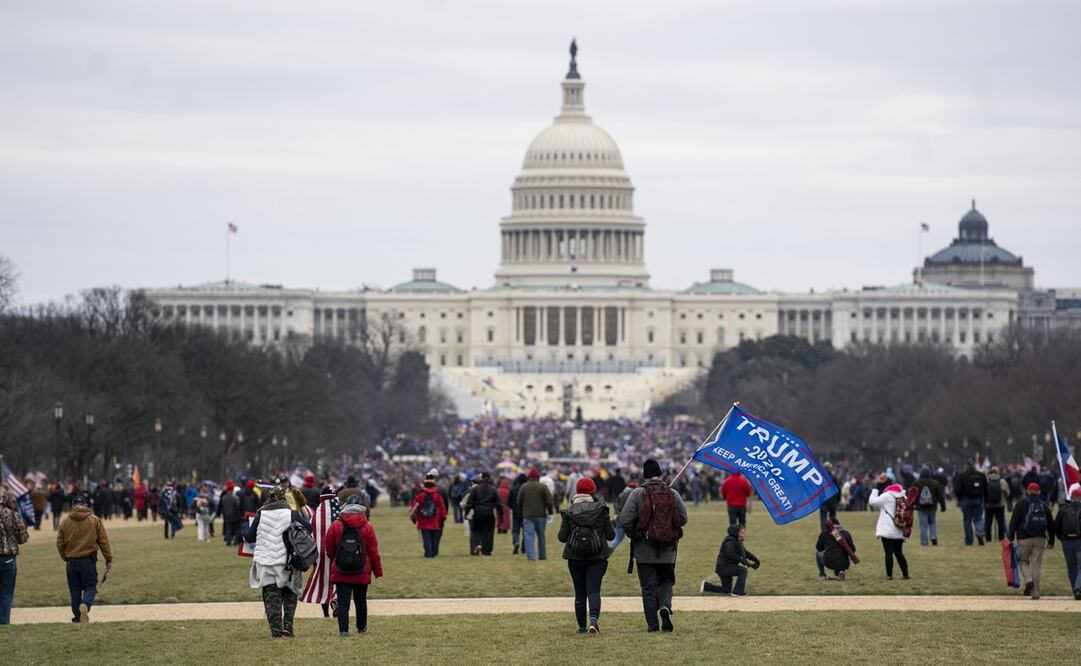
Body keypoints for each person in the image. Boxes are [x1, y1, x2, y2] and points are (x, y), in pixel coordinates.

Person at [621, 459, 688, 633]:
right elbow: (683, 518)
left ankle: (652, 625)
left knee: (648, 588)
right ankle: (665, 605)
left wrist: (635, 534)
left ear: (644, 474)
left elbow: (625, 519)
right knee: (666, 583)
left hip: (644, 549)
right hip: (668, 549)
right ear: (659, 473)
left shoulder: (637, 493)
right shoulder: (672, 493)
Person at [244, 486, 312, 638]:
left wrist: (244, 525)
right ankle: (288, 625)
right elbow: (309, 528)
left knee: (271, 597)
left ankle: (276, 631)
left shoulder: (261, 514)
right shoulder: (290, 513)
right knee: (290, 594)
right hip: (287, 562)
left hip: (266, 562)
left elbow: (249, 537)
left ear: (269, 498)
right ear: (283, 498)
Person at [557, 477, 614, 635]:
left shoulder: (569, 511)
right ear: (593, 492)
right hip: (598, 557)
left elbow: (562, 537)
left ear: (577, 492)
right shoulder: (602, 509)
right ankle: (594, 621)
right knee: (594, 591)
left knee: (580, 592)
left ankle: (581, 626)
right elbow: (610, 535)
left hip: (575, 557)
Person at [324, 496, 383, 636]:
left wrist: (336, 559)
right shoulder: (367, 526)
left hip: (341, 569)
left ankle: (343, 630)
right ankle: (361, 628)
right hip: (361, 568)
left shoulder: (336, 525)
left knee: (343, 603)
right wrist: (377, 571)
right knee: (360, 601)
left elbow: (329, 548)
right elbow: (373, 550)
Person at [55, 494, 113, 623]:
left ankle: (77, 617)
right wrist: (108, 559)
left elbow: (59, 543)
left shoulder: (65, 522)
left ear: (72, 507)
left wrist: (65, 557)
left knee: (74, 590)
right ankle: (85, 604)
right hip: (88, 560)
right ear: (86, 506)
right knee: (91, 586)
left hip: (71, 561)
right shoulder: (94, 520)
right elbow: (103, 541)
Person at [1008, 482, 1054, 600]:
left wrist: (1010, 537)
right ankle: (1036, 593)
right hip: (1040, 539)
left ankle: (1028, 580)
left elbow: (1014, 522)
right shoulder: (1044, 505)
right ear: (1038, 492)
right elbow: (1050, 524)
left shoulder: (1021, 504)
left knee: (1023, 562)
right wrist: (1051, 541)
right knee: (1036, 565)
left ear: (1028, 491)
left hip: (1023, 538)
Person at [702, 524, 759, 596]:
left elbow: (745, 553)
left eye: (743, 533)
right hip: (724, 568)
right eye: (741, 533)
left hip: (725, 567)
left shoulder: (738, 541)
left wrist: (755, 560)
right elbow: (730, 553)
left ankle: (706, 586)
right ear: (735, 532)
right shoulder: (730, 541)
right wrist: (744, 561)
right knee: (743, 571)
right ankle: (737, 592)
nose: (743, 535)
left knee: (726, 590)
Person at [0, 489, 30, 624]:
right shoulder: (14, 515)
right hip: (8, 558)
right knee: (6, 592)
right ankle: (4, 622)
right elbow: (23, 537)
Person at [869, 482, 909, 580]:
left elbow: (873, 502)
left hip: (887, 529)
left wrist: (874, 491)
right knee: (899, 553)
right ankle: (905, 575)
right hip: (899, 528)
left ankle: (889, 575)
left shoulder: (887, 495)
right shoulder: (904, 497)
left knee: (888, 553)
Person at [462, 472, 502, 556]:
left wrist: (466, 513)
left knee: (476, 531)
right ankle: (486, 550)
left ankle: (476, 546)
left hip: (477, 513)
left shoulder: (475, 489)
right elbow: (498, 504)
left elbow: (470, 503)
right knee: (488, 532)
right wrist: (500, 515)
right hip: (489, 513)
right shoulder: (493, 489)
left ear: (482, 478)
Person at [516, 468, 553, 561]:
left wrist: (522, 511)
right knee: (541, 535)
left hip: (527, 515)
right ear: (538, 477)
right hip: (541, 515)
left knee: (529, 536)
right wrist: (550, 512)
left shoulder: (524, 487)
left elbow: (519, 501)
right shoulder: (543, 487)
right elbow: (549, 501)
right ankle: (542, 555)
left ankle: (531, 556)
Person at [409, 473, 447, 558]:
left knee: (426, 538)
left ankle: (428, 554)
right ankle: (433, 553)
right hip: (435, 520)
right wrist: (443, 517)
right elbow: (442, 508)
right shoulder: (437, 495)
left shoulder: (421, 495)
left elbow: (414, 506)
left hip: (423, 520)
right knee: (434, 538)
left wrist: (413, 516)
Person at [1053, 484, 1081, 600]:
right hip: (1079, 540)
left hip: (1066, 542)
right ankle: (1078, 587)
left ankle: (1075, 588)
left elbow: (1056, 526)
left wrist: (1060, 537)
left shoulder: (1063, 509)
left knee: (1071, 566)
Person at [954, 459, 988, 546]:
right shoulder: (981, 475)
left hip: (966, 500)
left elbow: (957, 489)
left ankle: (969, 541)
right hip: (978, 499)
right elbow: (986, 489)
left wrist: (959, 499)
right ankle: (979, 532)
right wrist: (986, 500)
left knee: (967, 521)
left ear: (966, 465)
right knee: (978, 518)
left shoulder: (962, 475)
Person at [912, 467, 946, 546]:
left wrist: (911, 505)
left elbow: (912, 495)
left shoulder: (916, 483)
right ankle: (933, 537)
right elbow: (940, 496)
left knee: (923, 524)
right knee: (932, 522)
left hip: (920, 507)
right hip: (932, 507)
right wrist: (943, 505)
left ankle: (924, 542)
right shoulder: (935, 483)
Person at [609, 481, 638, 552]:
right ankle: (636, 552)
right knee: (634, 537)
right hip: (630, 519)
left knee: (618, 538)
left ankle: (610, 549)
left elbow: (616, 507)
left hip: (619, 518)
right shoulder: (633, 495)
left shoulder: (621, 494)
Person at [984, 466, 1010, 542]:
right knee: (1001, 522)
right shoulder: (1002, 481)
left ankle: (988, 538)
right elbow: (1008, 493)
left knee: (988, 523)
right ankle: (1001, 538)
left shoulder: (986, 481)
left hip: (988, 505)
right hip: (1000, 505)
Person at [219, 480, 243, 546]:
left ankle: (228, 542)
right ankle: (236, 541)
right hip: (235, 516)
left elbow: (223, 507)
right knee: (237, 529)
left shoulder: (223, 498)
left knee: (228, 530)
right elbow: (238, 506)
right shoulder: (235, 497)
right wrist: (239, 514)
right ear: (232, 489)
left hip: (227, 516)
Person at [508, 473, 527, 554]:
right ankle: (524, 548)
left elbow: (508, 502)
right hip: (526, 512)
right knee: (526, 531)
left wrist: (513, 507)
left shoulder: (513, 489)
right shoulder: (527, 488)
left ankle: (516, 542)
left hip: (516, 512)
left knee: (515, 530)